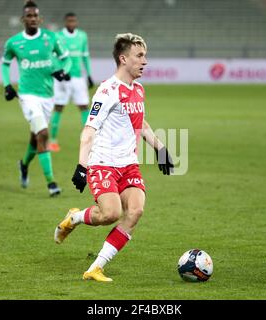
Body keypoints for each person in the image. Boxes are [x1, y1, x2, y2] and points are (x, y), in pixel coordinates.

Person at [54, 33, 174, 281]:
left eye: (145, 56)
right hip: (103, 164)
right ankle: (75, 217)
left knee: (135, 211)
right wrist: (81, 167)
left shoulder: (138, 89)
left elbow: (141, 124)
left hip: (128, 165)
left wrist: (160, 148)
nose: (145, 61)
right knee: (109, 214)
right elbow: (88, 131)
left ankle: (95, 267)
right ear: (123, 58)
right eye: (139, 56)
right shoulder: (107, 91)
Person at [1, 1, 72, 197]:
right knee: (43, 134)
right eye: (28, 16)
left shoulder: (51, 38)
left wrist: (63, 72)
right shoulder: (14, 42)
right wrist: (7, 85)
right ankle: (52, 183)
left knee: (35, 138)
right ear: (23, 19)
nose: (32, 19)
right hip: (27, 95)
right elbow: (5, 64)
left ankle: (23, 165)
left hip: (48, 96)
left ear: (39, 19)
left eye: (35, 16)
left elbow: (66, 59)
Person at [48, 12, 94, 152]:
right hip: (63, 78)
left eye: (73, 21)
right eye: (69, 21)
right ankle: (53, 141)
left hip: (78, 78)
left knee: (84, 107)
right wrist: (61, 72)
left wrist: (89, 75)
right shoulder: (58, 36)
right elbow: (54, 56)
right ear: (65, 22)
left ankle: (89, 141)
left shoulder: (82, 36)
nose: (71, 23)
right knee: (59, 107)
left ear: (76, 22)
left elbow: (85, 56)